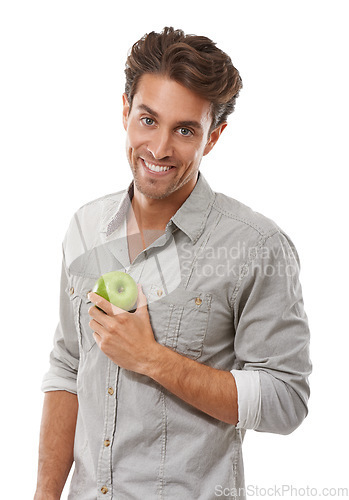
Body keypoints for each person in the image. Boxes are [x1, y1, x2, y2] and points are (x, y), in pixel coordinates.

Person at [34, 27, 311, 500]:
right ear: (125, 112)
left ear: (215, 136)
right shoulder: (85, 226)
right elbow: (67, 368)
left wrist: (151, 359)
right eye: (148, 120)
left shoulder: (256, 245)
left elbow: (286, 400)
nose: (160, 149)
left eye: (185, 130)